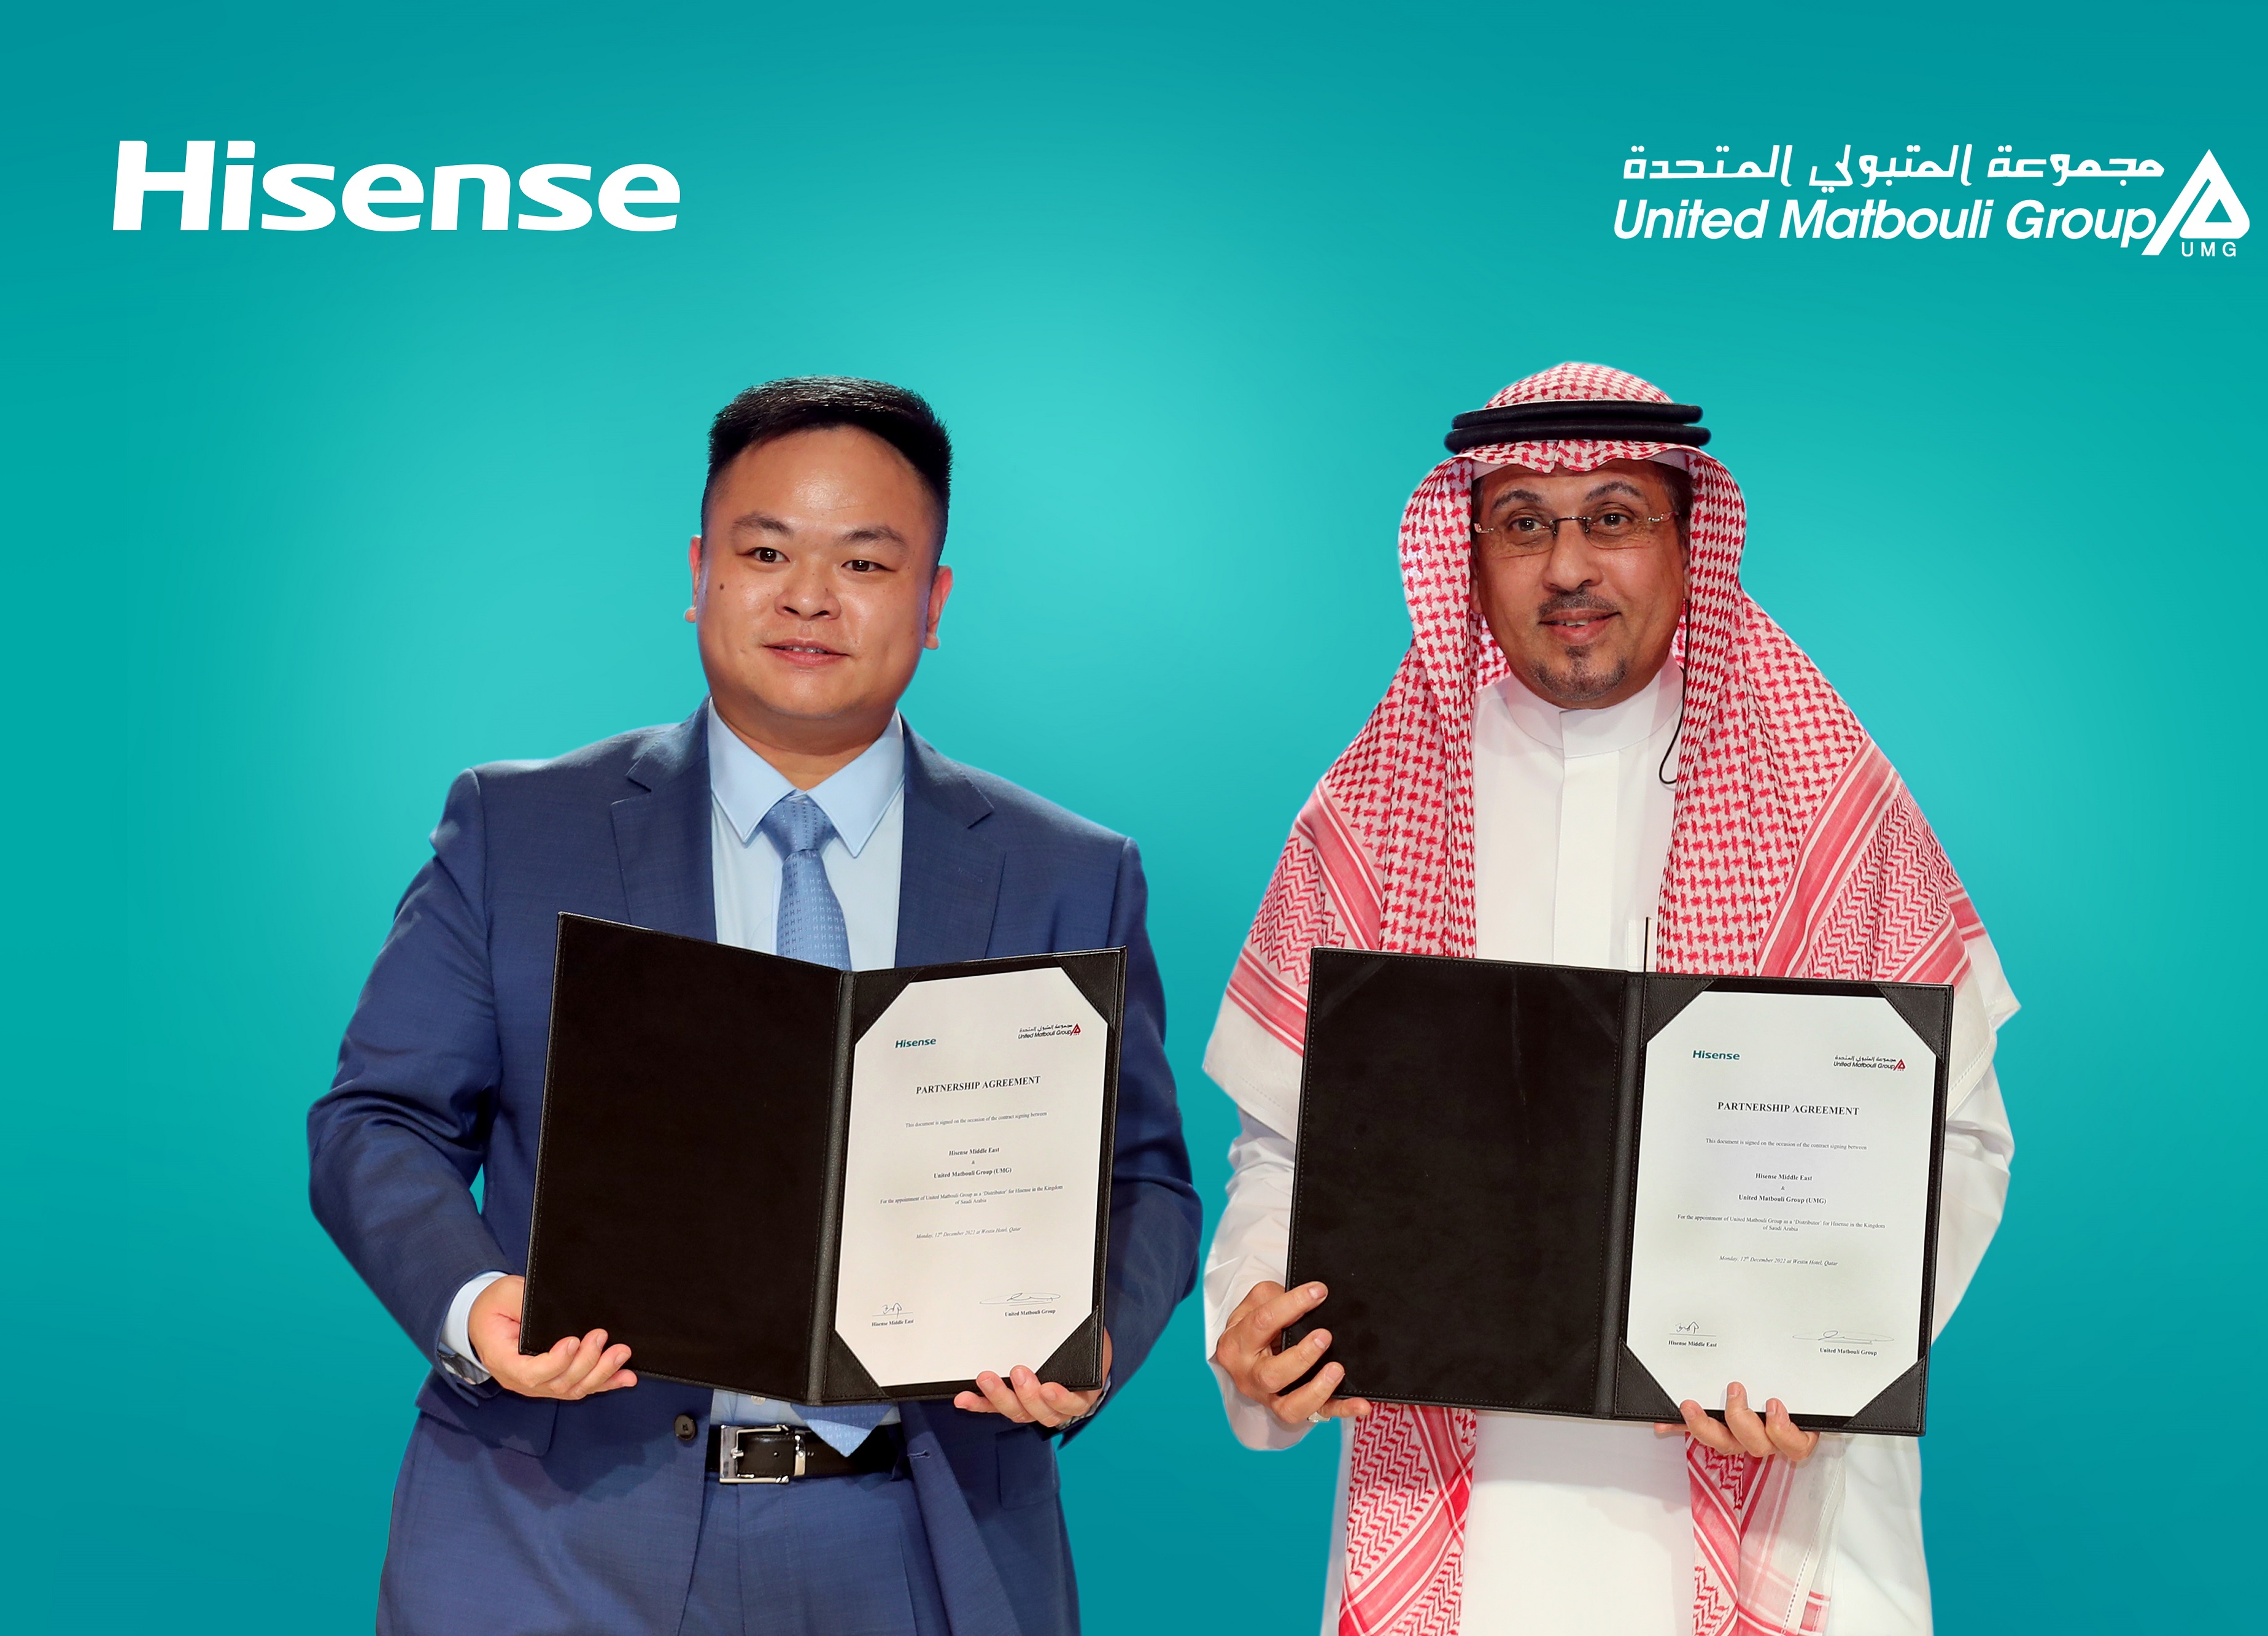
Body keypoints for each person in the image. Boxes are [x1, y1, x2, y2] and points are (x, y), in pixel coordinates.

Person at [310, 376, 1200, 1636]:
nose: (808, 597)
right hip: (558, 1531)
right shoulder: (518, 829)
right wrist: (473, 1301)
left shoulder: (1067, 872)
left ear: (935, 599)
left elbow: (1143, 1177)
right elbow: (377, 1120)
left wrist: (1089, 1337)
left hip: (921, 1540)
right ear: (700, 571)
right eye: (766, 551)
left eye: (865, 562)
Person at [1202, 364, 2015, 1636]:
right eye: (1523, 522)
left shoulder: (1826, 803)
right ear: (1470, 555)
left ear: (1688, 540)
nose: (1567, 565)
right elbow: (1283, 1141)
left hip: (1768, 1480)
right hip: (1465, 1501)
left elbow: (1955, 1137)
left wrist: (1835, 1352)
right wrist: (1256, 1318)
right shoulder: (1370, 808)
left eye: (1613, 517)